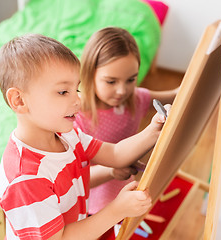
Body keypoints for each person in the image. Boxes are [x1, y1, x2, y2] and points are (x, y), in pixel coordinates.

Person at [0, 33, 168, 240]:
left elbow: (115, 153)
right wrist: (116, 210)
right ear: (19, 100)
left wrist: (154, 129)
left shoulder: (67, 135)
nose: (78, 100)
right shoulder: (25, 178)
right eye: (62, 92)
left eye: (76, 88)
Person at [74, 26, 179, 215]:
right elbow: (76, 180)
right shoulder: (77, 118)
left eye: (131, 79)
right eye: (111, 81)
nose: (122, 90)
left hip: (128, 192)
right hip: (94, 206)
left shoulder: (136, 99)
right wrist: (111, 171)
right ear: (90, 74)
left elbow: (175, 96)